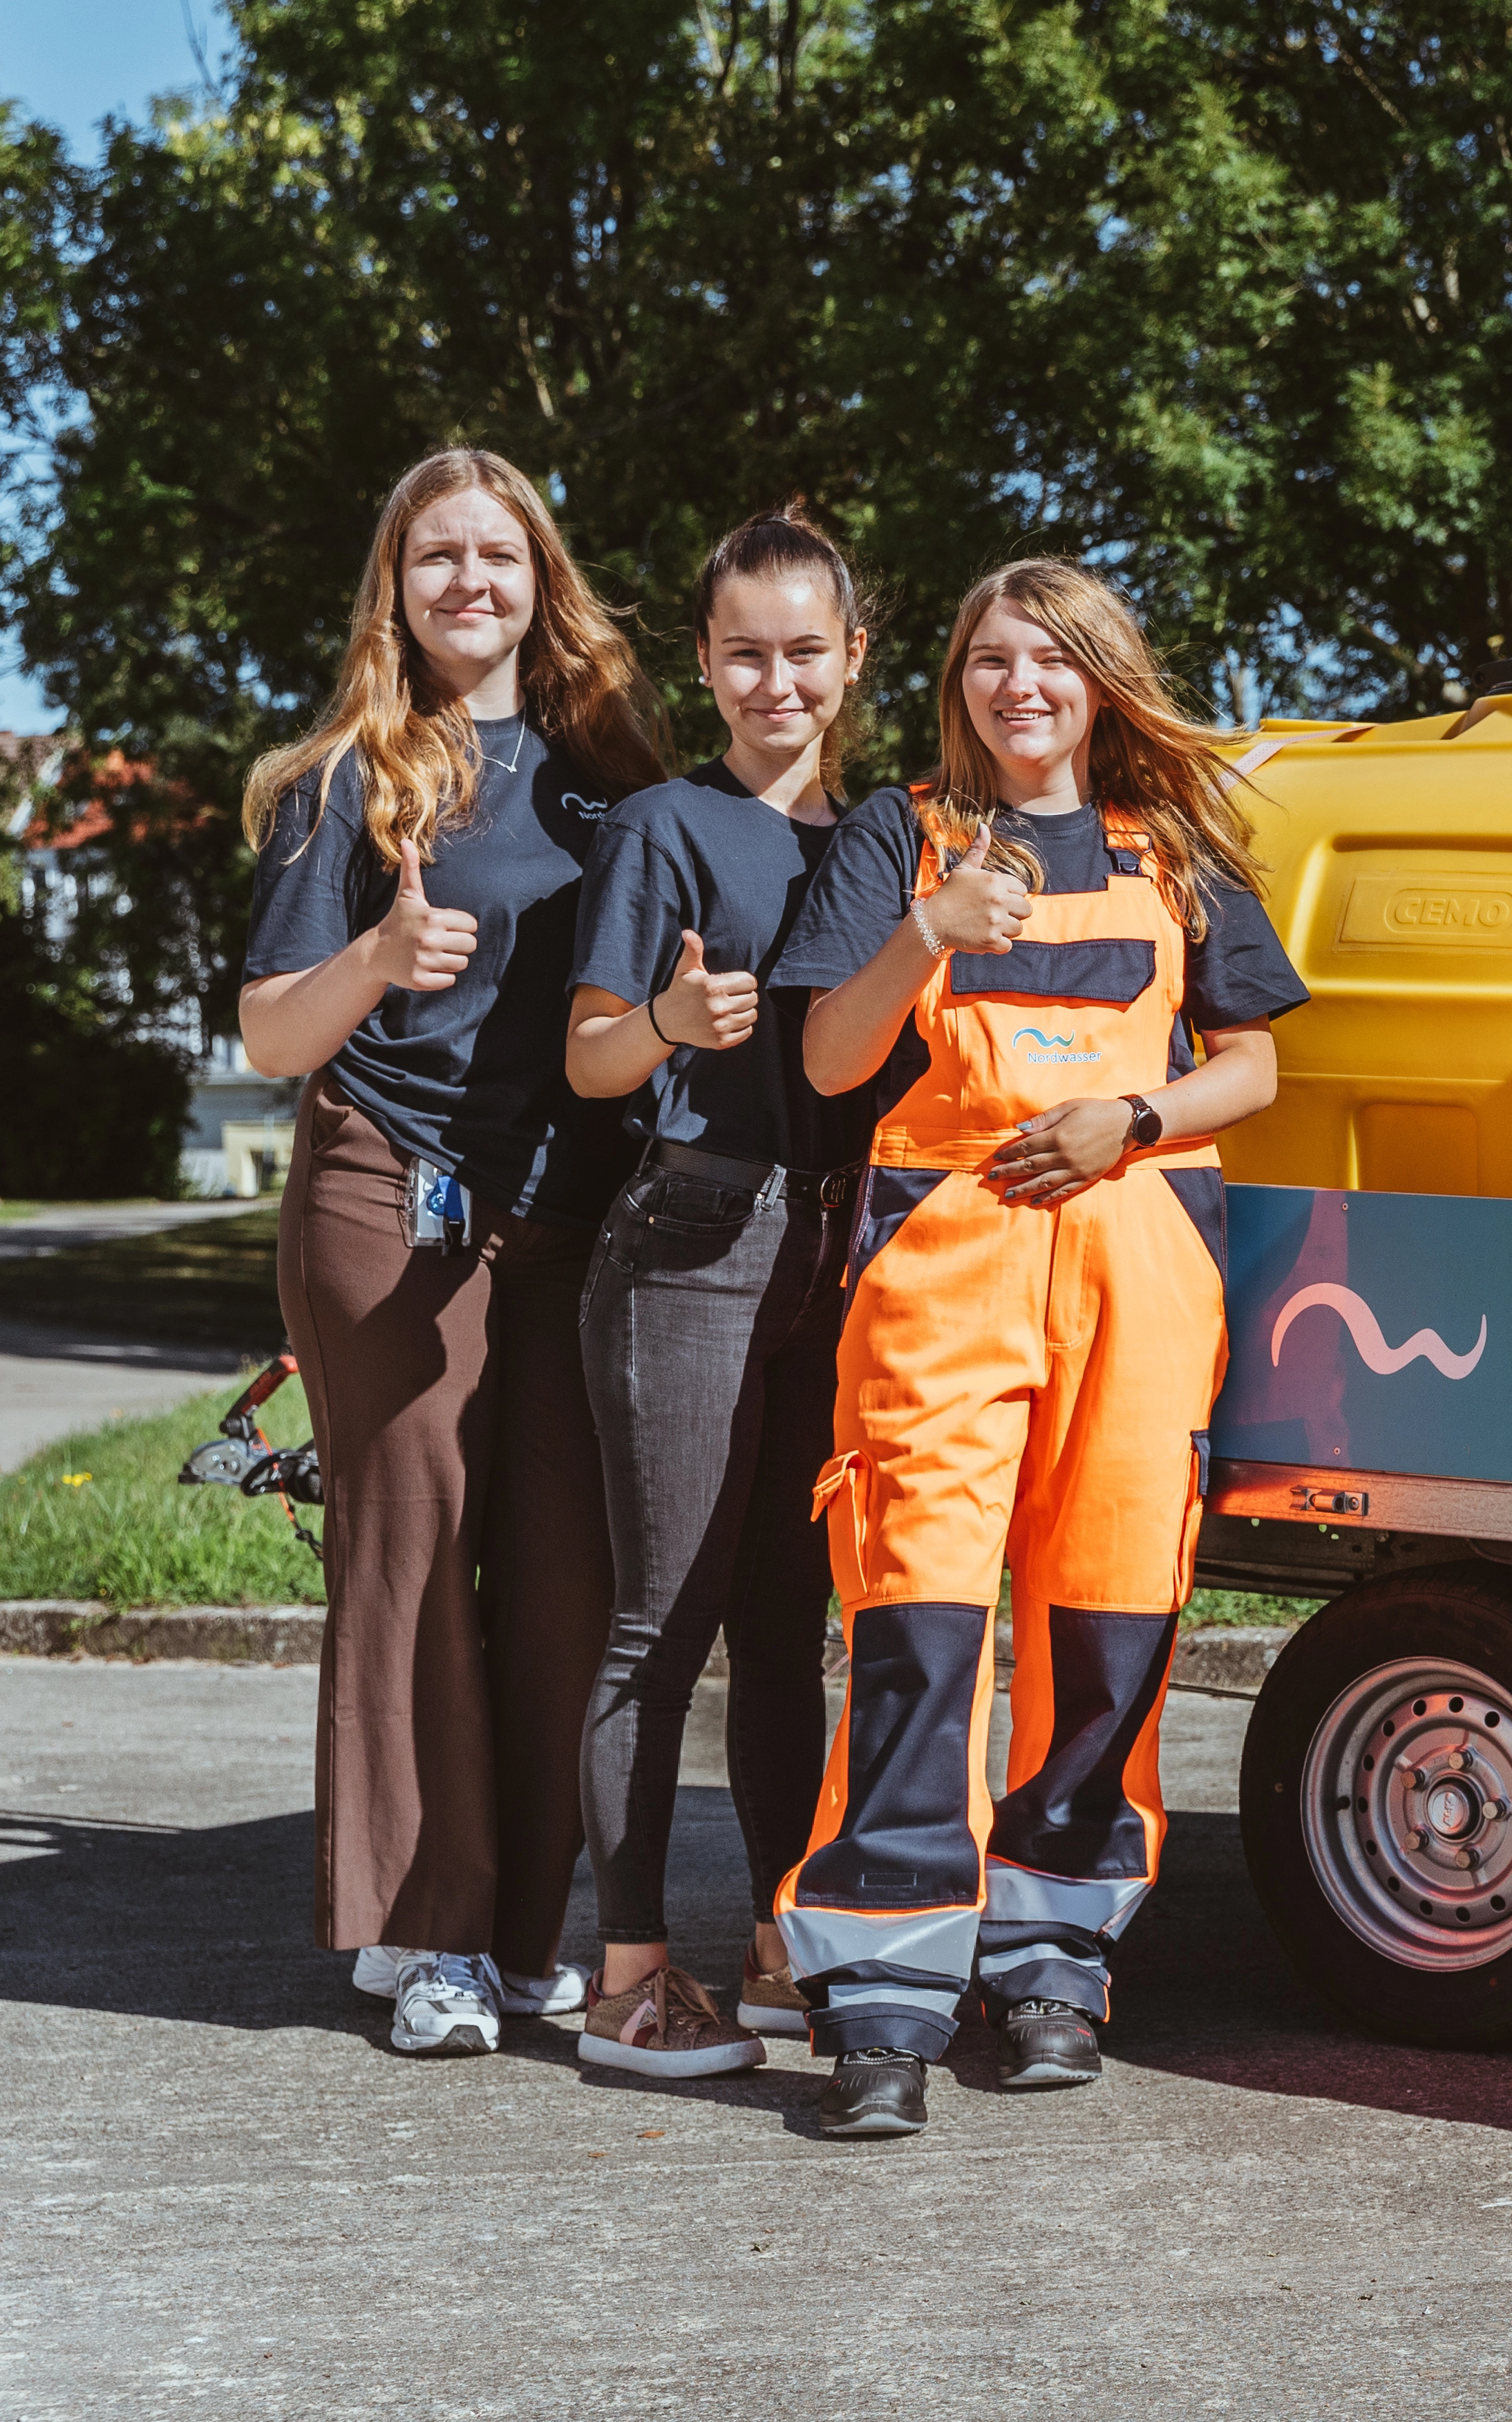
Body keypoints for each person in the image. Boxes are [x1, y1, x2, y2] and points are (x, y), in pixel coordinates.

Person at [766, 559, 1307, 2140]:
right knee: (918, 1623)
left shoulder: (1174, 847)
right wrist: (925, 933)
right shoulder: (901, 837)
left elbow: (1254, 1069)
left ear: (1099, 680)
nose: (1023, 687)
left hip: (1137, 1256)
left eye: (1053, 659)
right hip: (946, 1263)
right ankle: (883, 1994)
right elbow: (831, 1058)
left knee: (1109, 1621)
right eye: (992, 659)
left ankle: (1055, 1964)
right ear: (958, 684)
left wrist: (1129, 1117)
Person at [240, 448, 670, 2055]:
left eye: (498, 553)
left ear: (542, 578)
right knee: (415, 1559)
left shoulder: (614, 774)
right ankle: (431, 1935)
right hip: (391, 1199)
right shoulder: (342, 777)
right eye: (436, 556)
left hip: (576, 1215)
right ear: (396, 587)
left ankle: (517, 1930)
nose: (468, 580)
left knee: (566, 1579)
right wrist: (376, 953)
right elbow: (272, 1035)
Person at [559, 507, 879, 2079]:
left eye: (804, 651)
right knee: (662, 1623)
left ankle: (771, 1949)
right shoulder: (662, 827)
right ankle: (628, 1978)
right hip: (689, 1243)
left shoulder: (883, 841)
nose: (776, 682)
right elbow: (589, 1056)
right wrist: (671, 1024)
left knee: (783, 1621)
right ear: (703, 661)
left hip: (833, 1257)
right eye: (745, 653)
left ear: (854, 658)